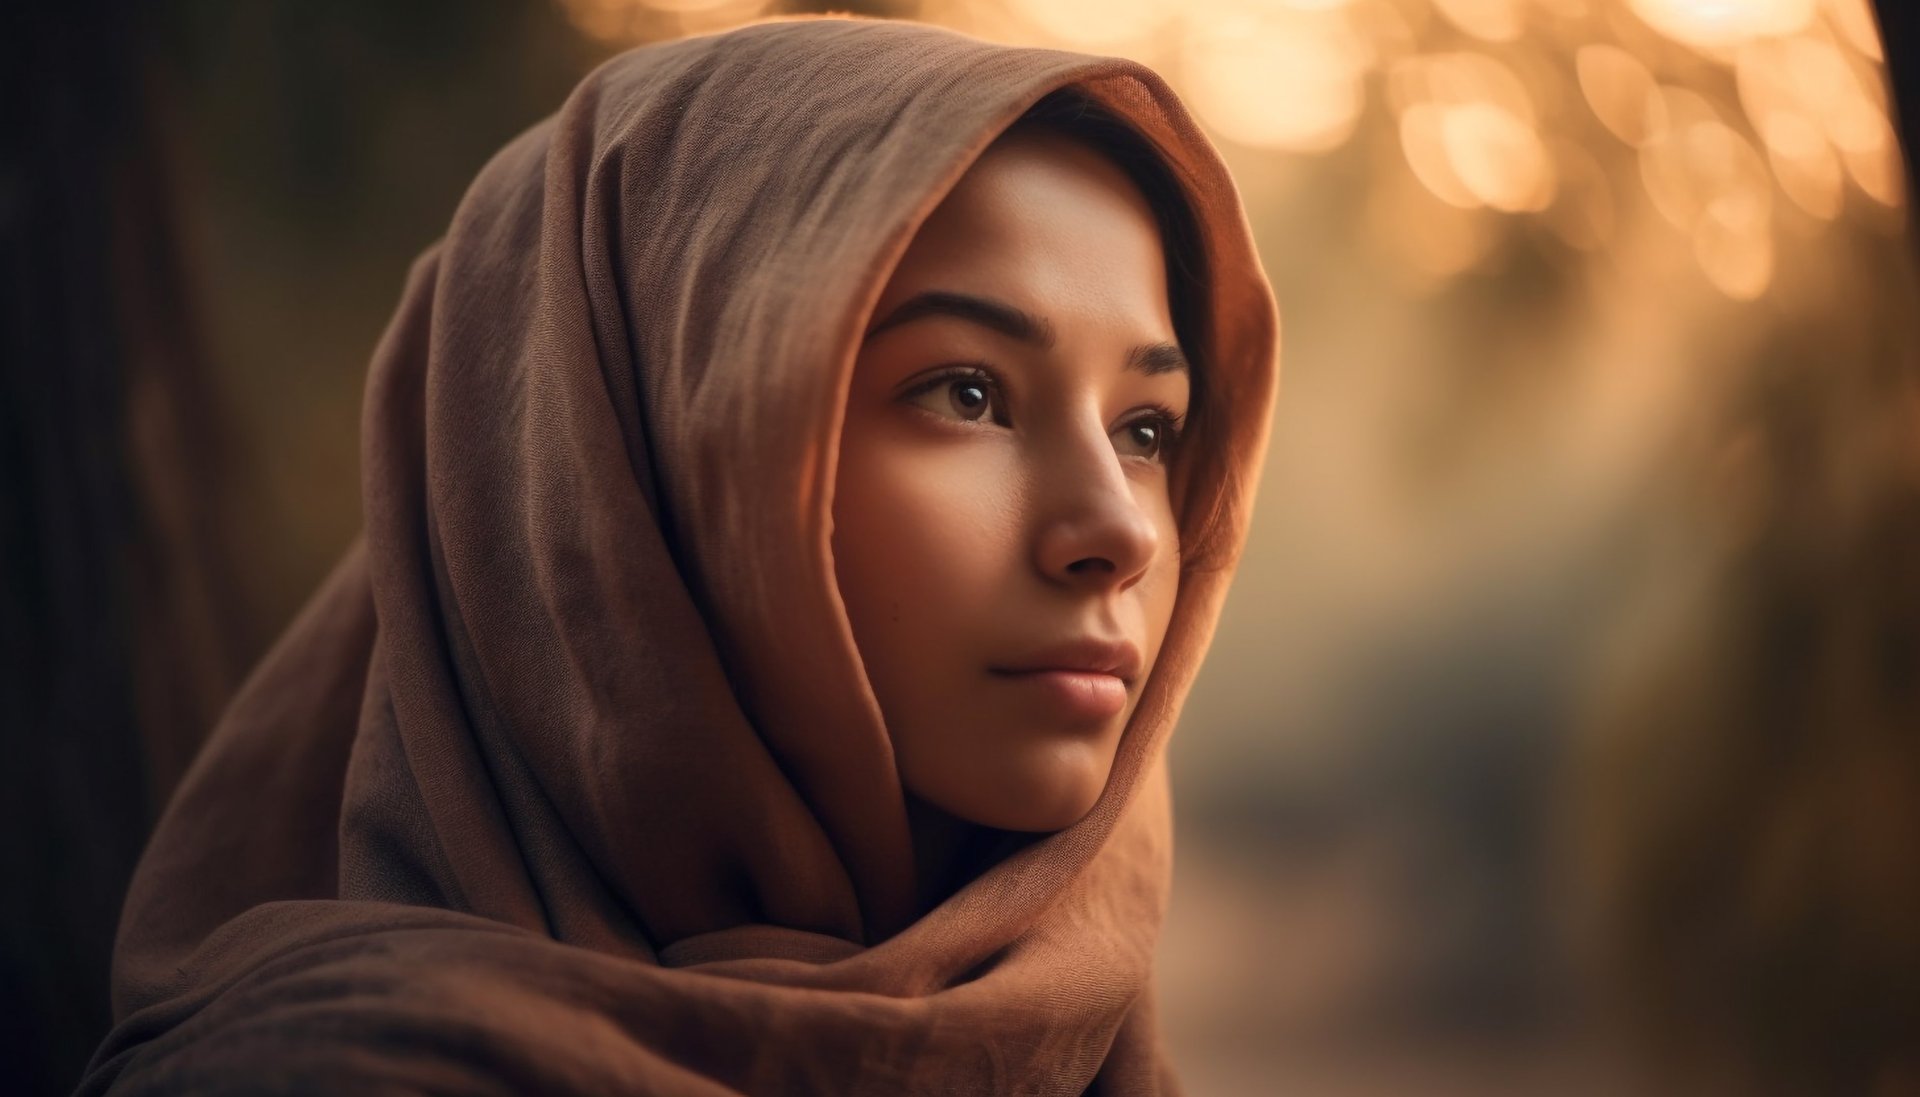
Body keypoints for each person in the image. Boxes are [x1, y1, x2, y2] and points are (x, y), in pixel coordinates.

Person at [79, 16, 1277, 1095]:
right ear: (624, 473)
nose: (1121, 532)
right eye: (967, 392)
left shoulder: (1070, 1039)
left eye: (1146, 430)